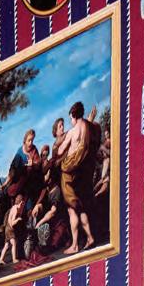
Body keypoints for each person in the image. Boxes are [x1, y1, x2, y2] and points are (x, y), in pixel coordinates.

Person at [56, 100, 96, 253]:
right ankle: (90, 237)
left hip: (68, 173)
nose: (70, 122)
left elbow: (60, 151)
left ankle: (74, 245)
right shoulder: (87, 126)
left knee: (72, 210)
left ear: (73, 115)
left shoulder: (72, 132)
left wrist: (62, 140)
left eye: (70, 119)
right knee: (81, 207)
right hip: (80, 172)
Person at [0, 193, 26, 267]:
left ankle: (1, 260)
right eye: (22, 203)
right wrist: (18, 219)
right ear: (21, 202)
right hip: (10, 229)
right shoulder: (15, 209)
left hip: (7, 229)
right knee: (14, 244)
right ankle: (14, 259)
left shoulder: (13, 207)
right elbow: (12, 223)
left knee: (6, 245)